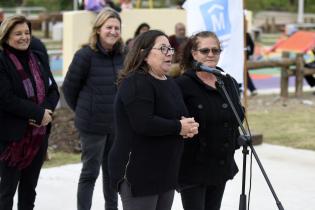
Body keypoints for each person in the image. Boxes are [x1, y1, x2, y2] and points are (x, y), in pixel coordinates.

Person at [108, 30, 199, 210]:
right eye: (162, 48)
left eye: (170, 49)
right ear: (144, 53)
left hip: (165, 169)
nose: (169, 53)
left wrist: (188, 127)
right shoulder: (136, 82)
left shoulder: (169, 82)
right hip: (138, 170)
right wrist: (178, 127)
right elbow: (143, 123)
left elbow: (180, 115)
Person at [62, 8, 124, 210]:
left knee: (113, 174)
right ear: (98, 29)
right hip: (92, 126)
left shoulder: (124, 56)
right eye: (109, 27)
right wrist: (84, 110)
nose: (113, 31)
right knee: (90, 173)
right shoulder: (84, 55)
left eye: (117, 28)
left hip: (115, 125)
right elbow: (69, 90)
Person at [176, 31, 244, 210]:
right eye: (205, 50)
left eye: (216, 50)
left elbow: (237, 115)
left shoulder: (227, 81)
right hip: (193, 167)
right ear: (194, 53)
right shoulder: (182, 85)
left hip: (220, 164)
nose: (211, 54)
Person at [0, 15, 59, 210]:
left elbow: (52, 89)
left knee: (29, 191)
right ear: (6, 36)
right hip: (12, 140)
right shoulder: (2, 61)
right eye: (18, 33)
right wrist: (37, 113)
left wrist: (45, 111)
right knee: (6, 192)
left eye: (27, 33)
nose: (24, 37)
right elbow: (6, 98)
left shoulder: (38, 57)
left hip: (38, 138)